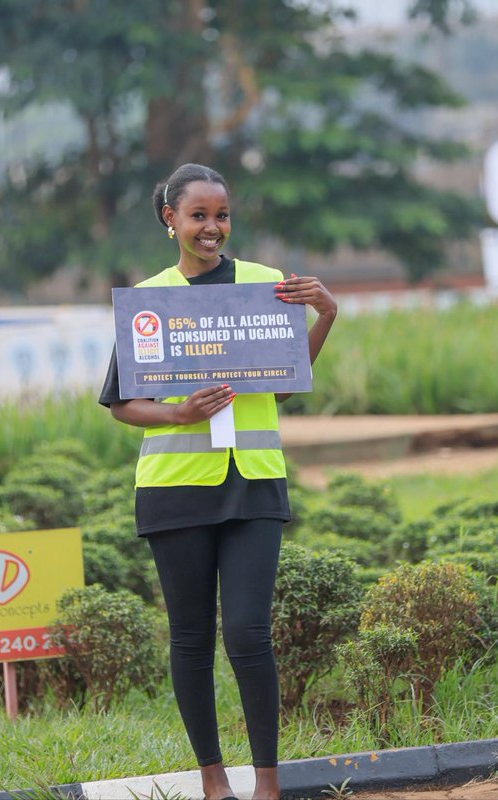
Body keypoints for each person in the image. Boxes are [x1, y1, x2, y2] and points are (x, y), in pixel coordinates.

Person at [99, 163, 337, 800]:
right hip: (175, 487)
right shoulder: (151, 298)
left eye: (222, 215)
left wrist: (326, 316)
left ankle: (267, 785)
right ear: (169, 220)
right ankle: (213, 782)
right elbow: (120, 402)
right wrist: (178, 413)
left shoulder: (266, 286)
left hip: (253, 483)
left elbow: (283, 386)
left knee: (249, 633)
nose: (212, 227)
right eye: (198, 215)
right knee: (192, 638)